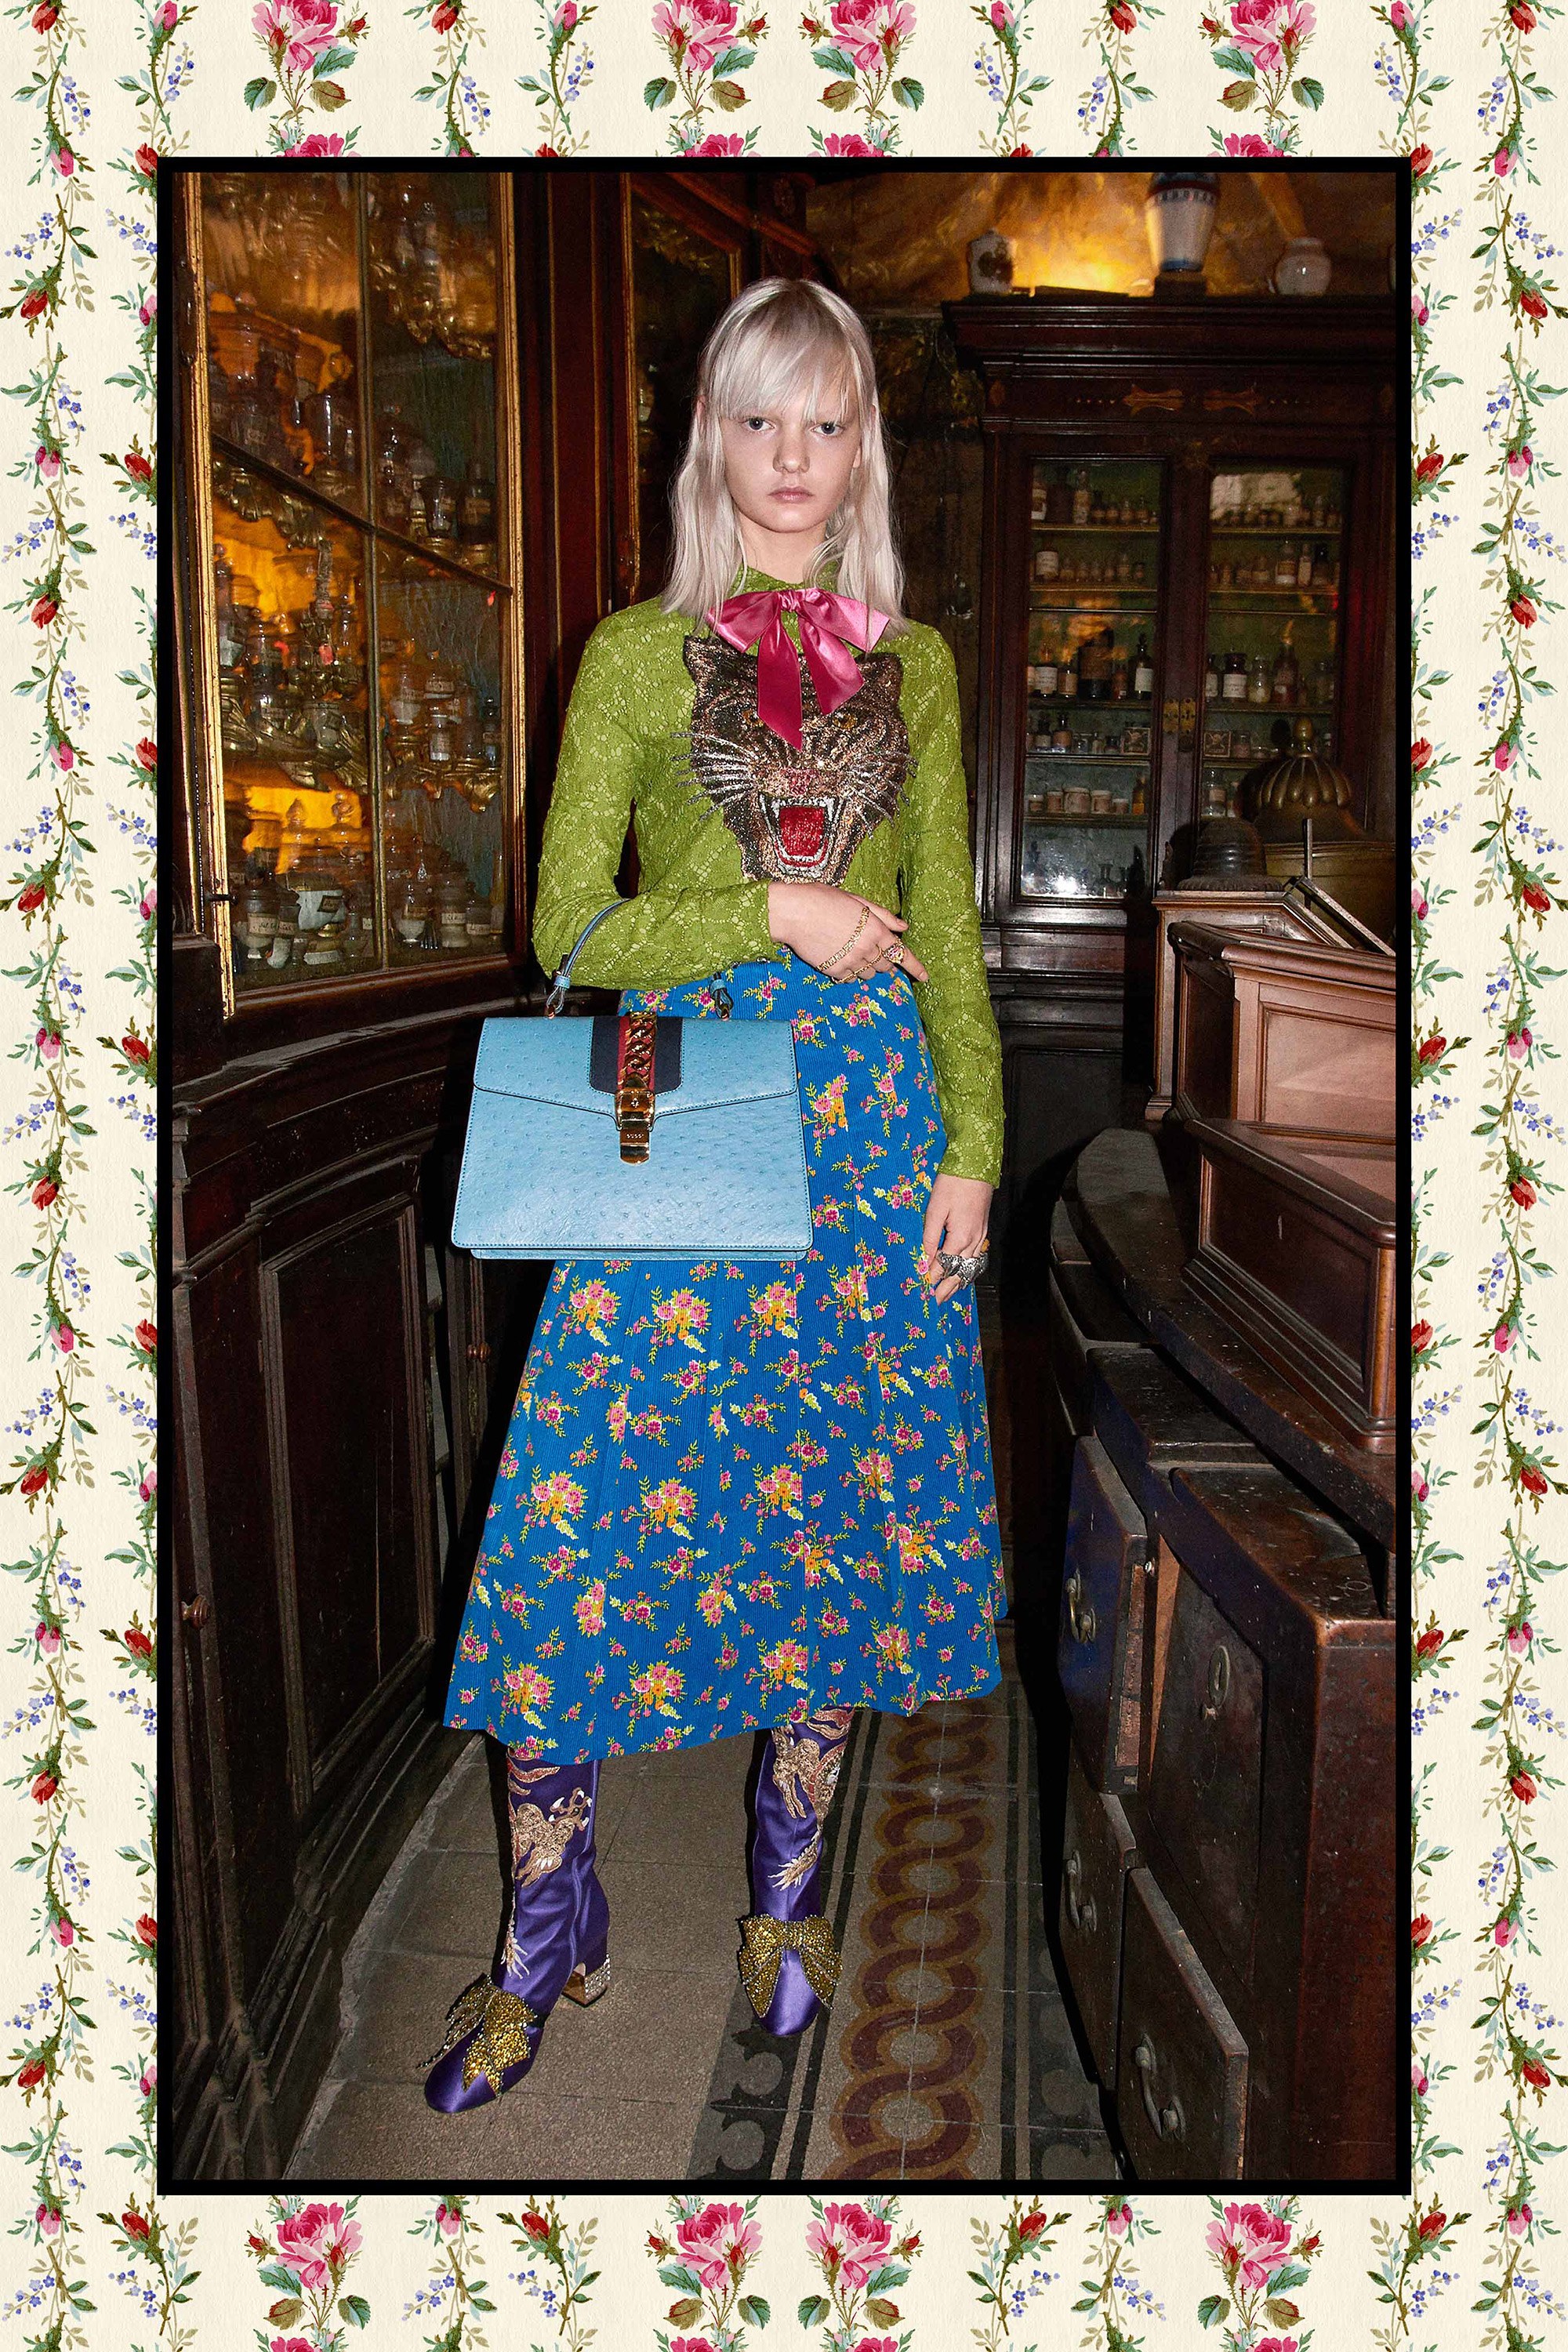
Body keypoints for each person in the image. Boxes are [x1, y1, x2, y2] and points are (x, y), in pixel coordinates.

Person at [423, 276, 1006, 2114]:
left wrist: (976, 1148)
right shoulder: (629, 654)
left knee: (825, 1534)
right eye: (761, 418)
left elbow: (951, 933)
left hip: (874, 1143)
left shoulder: (919, 666)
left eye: (826, 422)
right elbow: (565, 927)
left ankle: (781, 1907)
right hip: (671, 1117)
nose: (792, 455)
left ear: (864, 448)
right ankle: (546, 1936)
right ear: (713, 439)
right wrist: (768, 909)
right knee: (571, 1540)